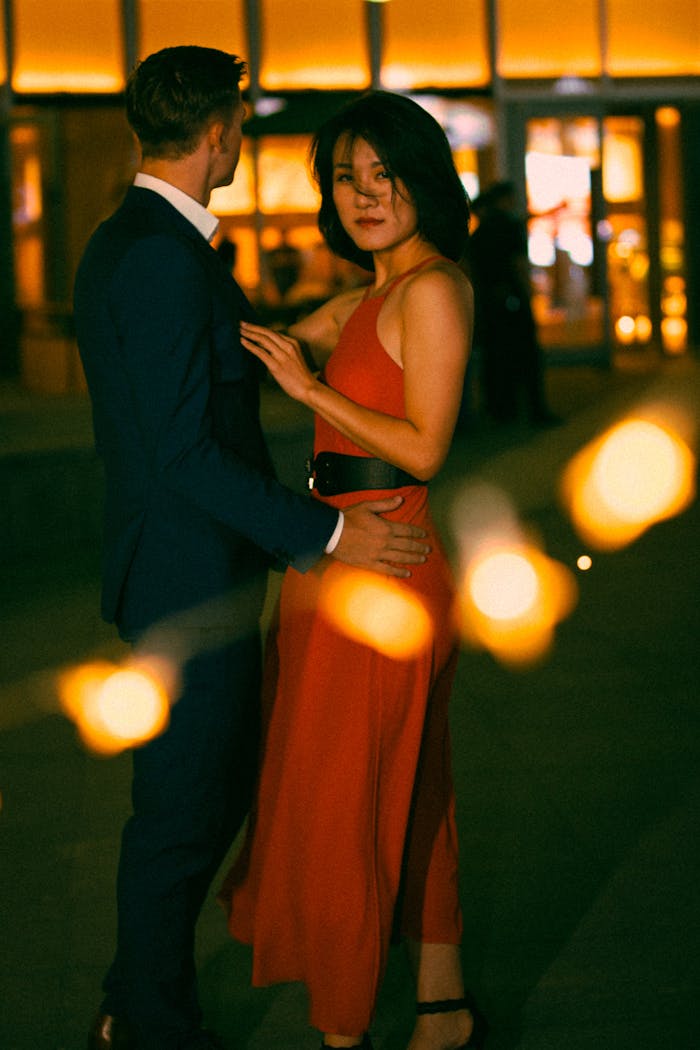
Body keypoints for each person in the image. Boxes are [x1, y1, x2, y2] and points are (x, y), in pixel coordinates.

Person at [73, 48, 429, 1050]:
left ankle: (135, 993)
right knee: (183, 810)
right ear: (221, 129)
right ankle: (145, 1021)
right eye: (242, 119)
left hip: (193, 571)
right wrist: (323, 532)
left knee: (203, 795)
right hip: (187, 580)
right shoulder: (156, 253)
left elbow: (217, 368)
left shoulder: (154, 242)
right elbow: (184, 446)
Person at [219, 91, 486, 1050]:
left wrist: (310, 386)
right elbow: (254, 342)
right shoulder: (370, 294)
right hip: (332, 564)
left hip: (388, 572)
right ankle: (443, 1009)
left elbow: (424, 449)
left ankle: (341, 1025)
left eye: (386, 174)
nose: (367, 194)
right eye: (347, 177)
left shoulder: (433, 290)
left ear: (424, 178)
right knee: (411, 790)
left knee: (349, 800)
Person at [468, 180, 559, 426]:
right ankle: (534, 410)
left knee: (497, 357)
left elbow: (475, 272)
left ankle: (502, 409)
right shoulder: (508, 227)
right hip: (513, 299)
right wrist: (528, 291)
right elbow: (517, 263)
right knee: (527, 355)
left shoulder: (478, 235)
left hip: (491, 303)